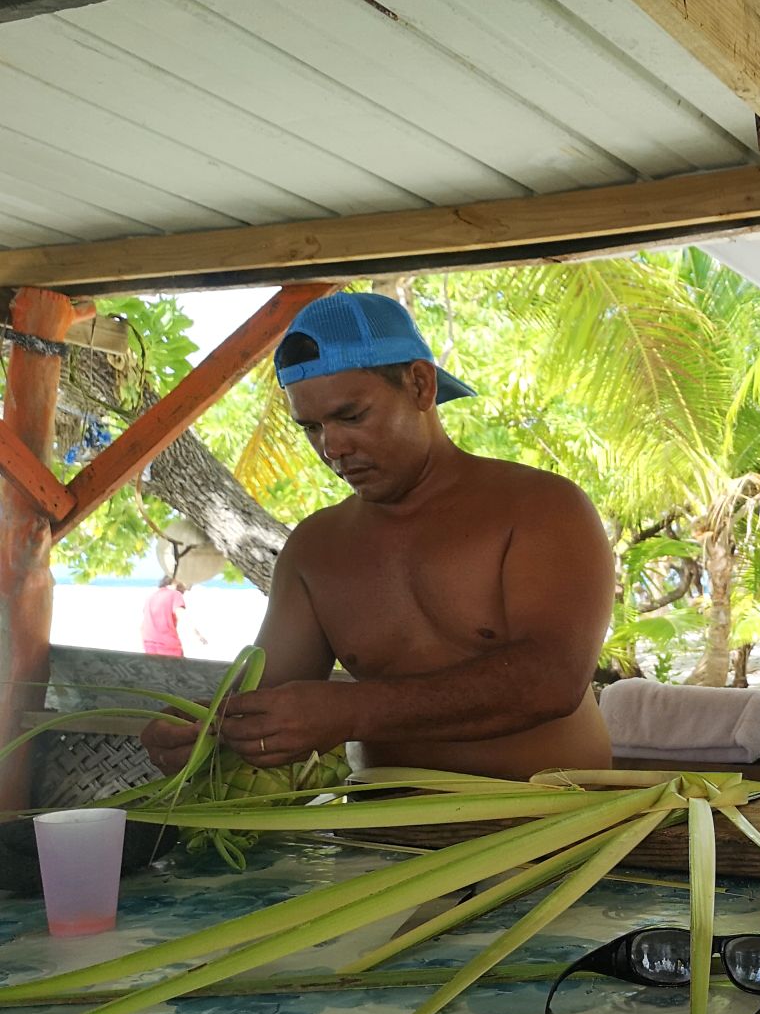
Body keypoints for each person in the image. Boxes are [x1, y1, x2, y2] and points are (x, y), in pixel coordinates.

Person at [141, 292, 615, 781]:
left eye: (351, 416)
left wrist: (349, 710)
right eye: (312, 428)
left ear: (420, 385)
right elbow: (268, 699)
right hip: (382, 835)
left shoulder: (541, 508)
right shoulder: (316, 550)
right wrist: (205, 727)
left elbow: (552, 681)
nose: (332, 447)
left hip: (556, 830)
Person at [140, 576, 196, 658]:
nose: (188, 589)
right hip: (169, 648)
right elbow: (182, 616)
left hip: (149, 646)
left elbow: (142, 626)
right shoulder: (175, 594)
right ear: (176, 579)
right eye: (188, 583)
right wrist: (197, 634)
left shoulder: (151, 597)